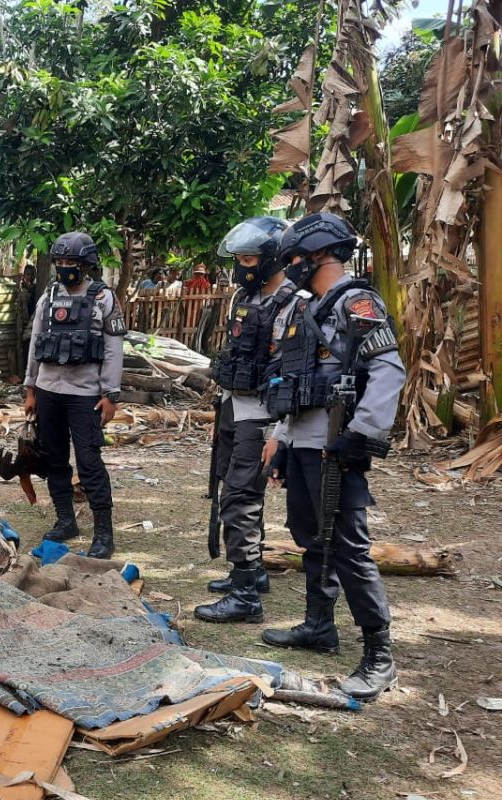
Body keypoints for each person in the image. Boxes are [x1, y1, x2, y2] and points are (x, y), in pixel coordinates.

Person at [260, 212, 404, 701]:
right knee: (311, 539)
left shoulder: (357, 302)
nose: (292, 265)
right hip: (302, 442)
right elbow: (293, 382)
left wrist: (362, 433)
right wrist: (281, 438)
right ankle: (319, 627)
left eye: (296, 257)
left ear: (319, 254)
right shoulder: (308, 307)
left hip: (336, 446)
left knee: (349, 549)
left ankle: (379, 656)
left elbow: (388, 368)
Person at [193, 216, 291, 625]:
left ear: (271, 258)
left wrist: (278, 432)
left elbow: (292, 373)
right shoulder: (243, 299)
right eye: (238, 259)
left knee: (241, 498)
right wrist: (221, 407)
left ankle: (246, 596)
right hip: (234, 407)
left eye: (249, 258)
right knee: (232, 490)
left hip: (262, 416)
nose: (242, 266)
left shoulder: (292, 302)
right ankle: (252, 572)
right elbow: (234, 359)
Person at [23, 232, 126, 558]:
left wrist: (111, 394)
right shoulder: (48, 298)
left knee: (90, 462)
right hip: (48, 392)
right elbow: (36, 344)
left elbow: (113, 349)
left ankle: (104, 535)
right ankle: (65, 520)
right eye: (60, 263)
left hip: (86, 396)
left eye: (72, 263)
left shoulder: (103, 299)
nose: (65, 268)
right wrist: (30, 388)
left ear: (86, 265)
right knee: (54, 459)